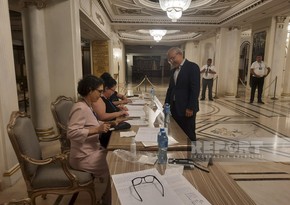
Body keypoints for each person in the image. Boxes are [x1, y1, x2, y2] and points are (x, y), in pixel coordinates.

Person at [67, 75, 111, 204]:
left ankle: (106, 198)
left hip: (91, 151)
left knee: (115, 156)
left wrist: (112, 123)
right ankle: (105, 200)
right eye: (99, 91)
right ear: (90, 90)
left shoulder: (87, 105)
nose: (101, 94)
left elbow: (92, 123)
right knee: (114, 164)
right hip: (82, 157)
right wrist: (97, 130)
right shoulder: (80, 108)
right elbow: (71, 132)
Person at [164, 47, 200, 141]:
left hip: (187, 108)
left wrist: (190, 107)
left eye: (172, 58)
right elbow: (171, 89)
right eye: (169, 60)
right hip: (175, 107)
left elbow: (195, 89)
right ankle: (180, 152)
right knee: (177, 131)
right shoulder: (173, 70)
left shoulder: (192, 67)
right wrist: (166, 104)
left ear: (180, 54)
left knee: (188, 132)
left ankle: (191, 153)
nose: (171, 61)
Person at [93, 74, 129, 147]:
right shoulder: (98, 99)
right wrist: (119, 113)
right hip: (107, 132)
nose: (113, 93)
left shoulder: (104, 98)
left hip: (111, 125)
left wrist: (119, 109)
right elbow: (102, 117)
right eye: (99, 91)